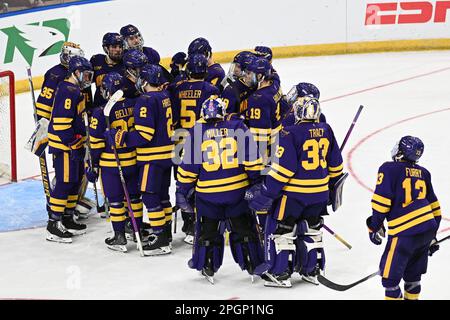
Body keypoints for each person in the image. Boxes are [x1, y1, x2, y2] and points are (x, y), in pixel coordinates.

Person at [247, 96, 343, 287]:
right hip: (319, 195)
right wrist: (331, 188)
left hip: (294, 196)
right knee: (313, 229)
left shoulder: (289, 133)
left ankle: (281, 274)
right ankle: (312, 270)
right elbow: (336, 166)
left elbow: (284, 170)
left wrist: (267, 192)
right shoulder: (327, 130)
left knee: (282, 231)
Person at [175, 97, 264, 283]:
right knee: (244, 229)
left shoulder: (196, 133)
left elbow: (186, 171)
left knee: (207, 232)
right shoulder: (238, 127)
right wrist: (255, 182)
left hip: (208, 195)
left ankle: (207, 264)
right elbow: (254, 162)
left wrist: (183, 190)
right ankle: (252, 261)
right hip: (237, 192)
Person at [106, 64, 175, 256]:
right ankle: (166, 233)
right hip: (168, 155)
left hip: (151, 158)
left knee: (149, 195)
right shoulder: (165, 96)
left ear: (144, 81)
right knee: (163, 196)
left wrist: (122, 138)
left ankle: (160, 238)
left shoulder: (145, 99)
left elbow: (145, 135)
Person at [366, 136, 441, 300]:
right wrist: (432, 236)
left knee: (390, 281)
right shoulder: (424, 173)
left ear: (401, 152)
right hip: (426, 230)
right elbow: (435, 208)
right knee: (413, 277)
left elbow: (381, 202)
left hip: (404, 234)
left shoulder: (389, 169)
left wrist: (374, 225)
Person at [86, 72, 143, 252]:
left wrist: (93, 165)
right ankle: (137, 231)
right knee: (134, 197)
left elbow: (96, 144)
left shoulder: (101, 112)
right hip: (133, 161)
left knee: (116, 201)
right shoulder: (134, 104)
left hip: (111, 165)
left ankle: (119, 237)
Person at [170, 53, 220, 244]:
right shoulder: (211, 89)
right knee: (201, 182)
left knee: (182, 182)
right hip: (202, 140)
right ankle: (200, 224)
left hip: (179, 140)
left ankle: (188, 224)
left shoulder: (176, 87)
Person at [46, 56, 94, 243]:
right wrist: (72, 142)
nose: (88, 78)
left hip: (74, 143)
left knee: (75, 180)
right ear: (75, 72)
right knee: (65, 182)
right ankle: (54, 223)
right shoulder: (68, 90)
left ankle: (67, 217)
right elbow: (60, 122)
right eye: (86, 74)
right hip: (64, 145)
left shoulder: (76, 89)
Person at [36, 42, 84, 120]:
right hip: (60, 121)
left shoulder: (78, 72)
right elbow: (44, 105)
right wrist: (44, 123)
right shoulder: (55, 74)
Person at [90, 33, 125, 108]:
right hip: (99, 109)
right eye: (114, 47)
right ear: (106, 48)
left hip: (119, 109)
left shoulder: (126, 63)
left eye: (120, 46)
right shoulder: (96, 60)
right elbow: (85, 83)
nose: (118, 50)